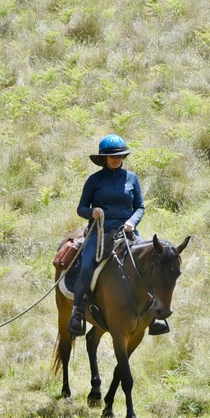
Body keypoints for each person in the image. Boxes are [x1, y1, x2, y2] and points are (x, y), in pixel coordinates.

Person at [68, 134, 167, 336]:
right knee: (86, 266)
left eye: (120, 156)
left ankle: (157, 314)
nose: (117, 159)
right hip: (100, 232)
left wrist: (132, 222)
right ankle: (77, 314)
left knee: (152, 263)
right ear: (104, 159)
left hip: (127, 232)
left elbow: (139, 206)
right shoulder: (93, 180)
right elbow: (81, 208)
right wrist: (92, 212)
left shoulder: (132, 178)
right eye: (113, 157)